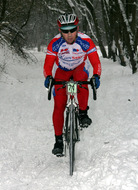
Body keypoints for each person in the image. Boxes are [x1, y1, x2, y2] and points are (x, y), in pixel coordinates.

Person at [43, 13, 101, 156]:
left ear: (77, 28)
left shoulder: (85, 41)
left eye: (72, 30)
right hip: (62, 70)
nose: (69, 34)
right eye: (65, 31)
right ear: (60, 31)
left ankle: (82, 113)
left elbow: (95, 62)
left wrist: (96, 75)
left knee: (81, 82)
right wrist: (48, 76)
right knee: (59, 105)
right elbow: (47, 65)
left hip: (79, 67)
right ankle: (58, 140)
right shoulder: (55, 43)